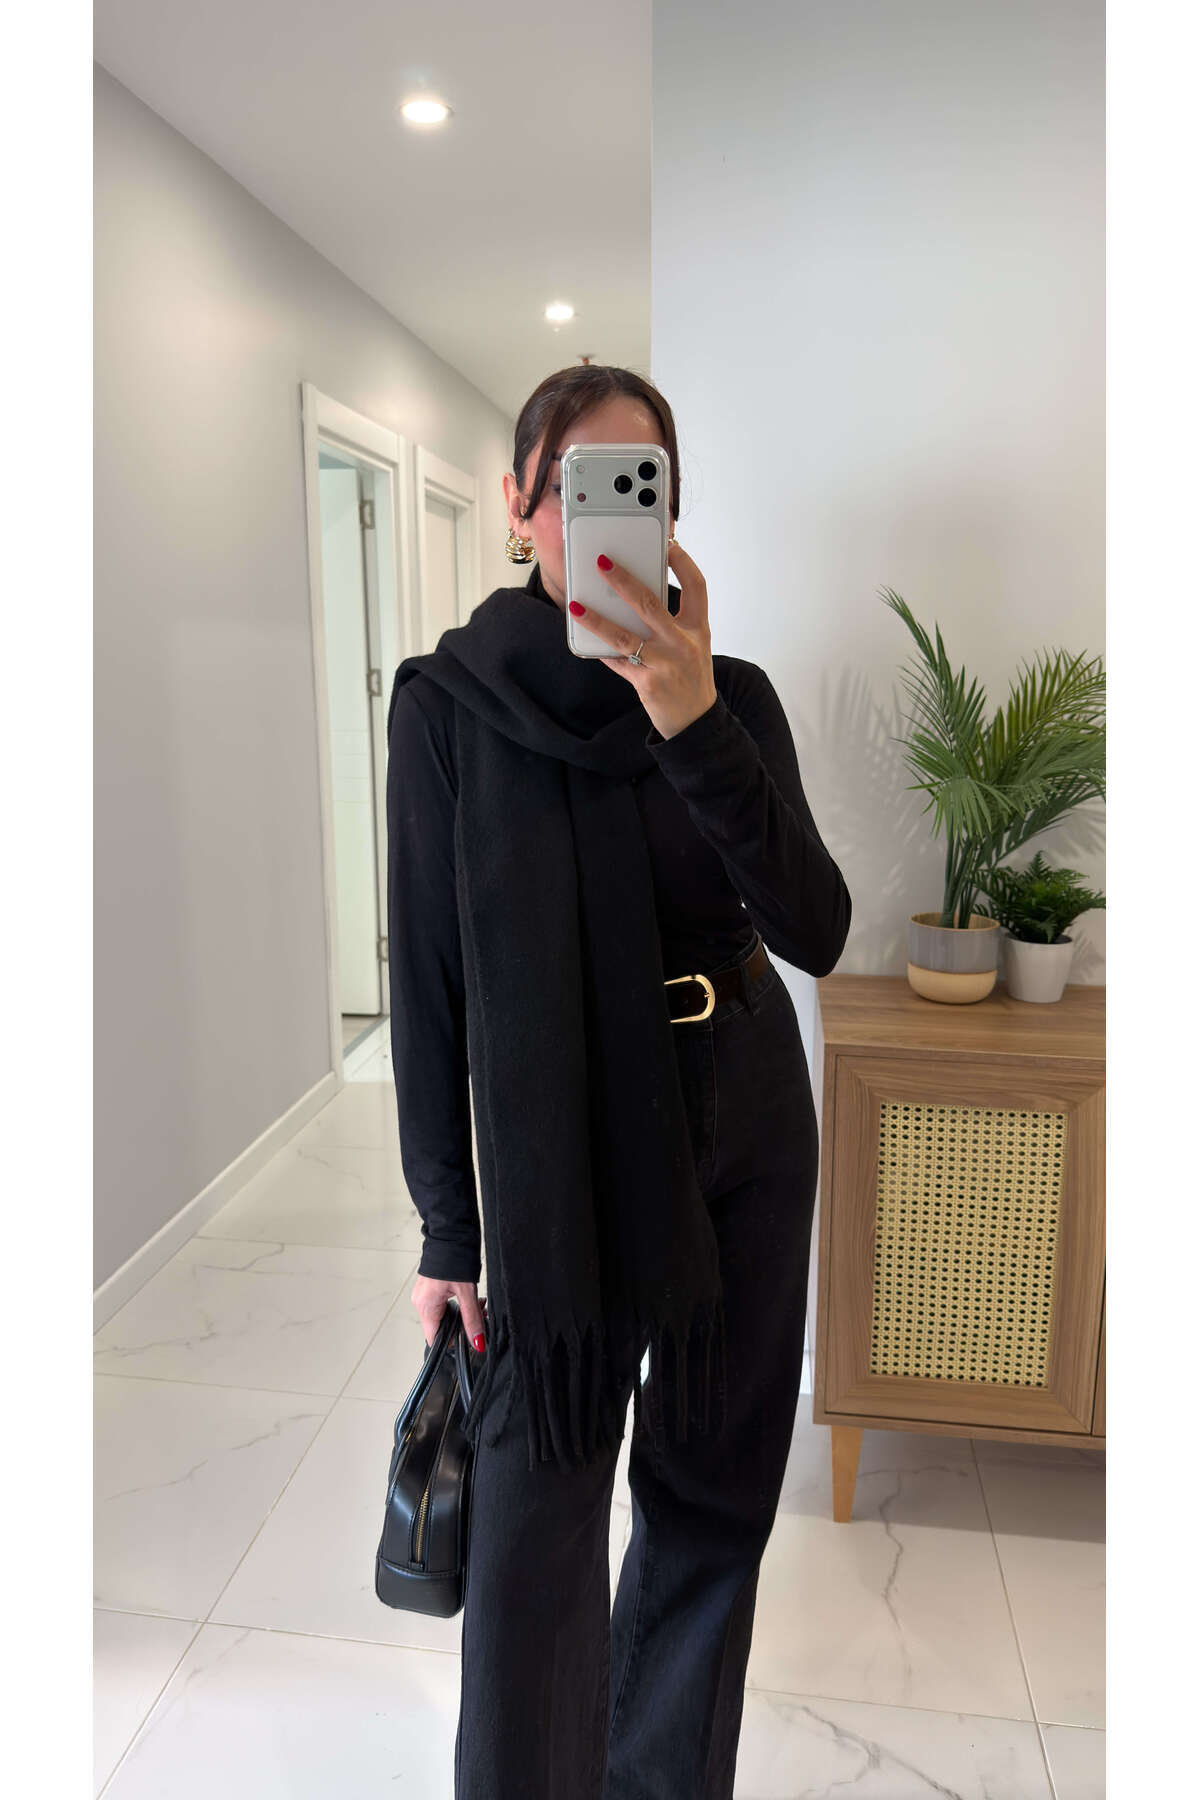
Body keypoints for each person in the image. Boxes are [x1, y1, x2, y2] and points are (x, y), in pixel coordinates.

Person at [386, 364, 852, 1799]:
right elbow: (430, 987)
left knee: (710, 1501)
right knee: (537, 1517)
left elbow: (816, 928)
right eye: (578, 485)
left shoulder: (731, 699)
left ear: (669, 520)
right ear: (521, 504)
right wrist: (448, 1230)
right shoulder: (447, 710)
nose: (603, 519)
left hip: (741, 1118)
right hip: (562, 1158)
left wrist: (691, 720)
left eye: (638, 490)